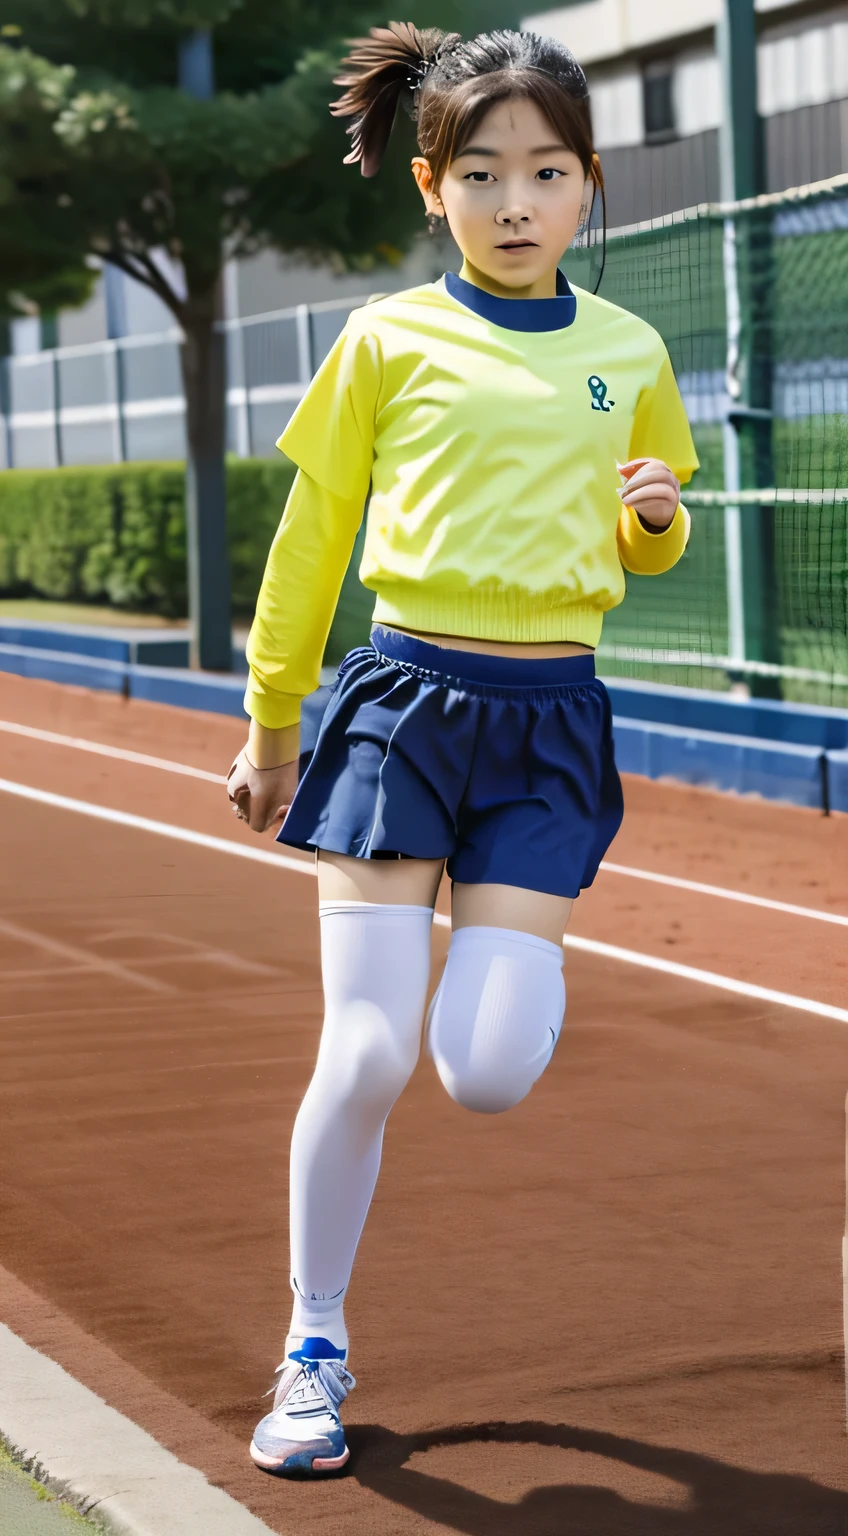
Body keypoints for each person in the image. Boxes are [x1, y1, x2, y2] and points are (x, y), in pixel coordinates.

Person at [227, 22, 699, 1479]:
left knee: (483, 1069)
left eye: (545, 172)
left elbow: (654, 536)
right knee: (365, 1051)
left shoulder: (632, 353)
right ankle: (312, 1346)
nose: (515, 201)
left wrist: (658, 520)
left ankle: (494, 992)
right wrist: (271, 722)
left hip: (554, 723)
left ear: (588, 187)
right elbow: (314, 545)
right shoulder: (382, 339)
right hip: (406, 706)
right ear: (432, 187)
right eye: (481, 172)